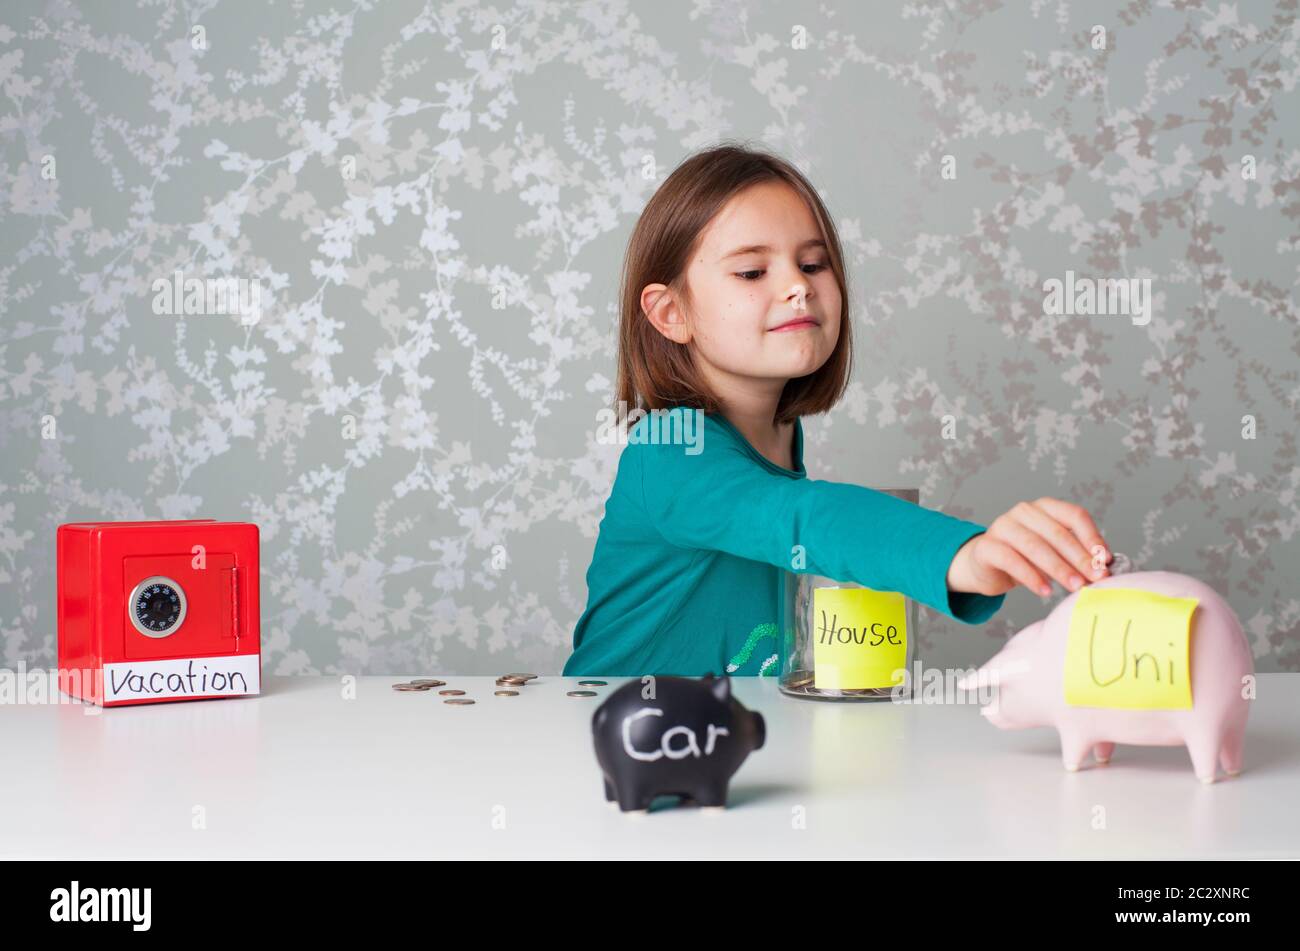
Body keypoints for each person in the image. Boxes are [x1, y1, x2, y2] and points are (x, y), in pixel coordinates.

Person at [563, 144, 1112, 676]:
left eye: (813, 262)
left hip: (728, 743)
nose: (798, 286)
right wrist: (964, 555)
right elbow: (800, 518)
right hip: (608, 739)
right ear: (670, 312)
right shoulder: (668, 449)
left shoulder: (780, 432)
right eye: (753, 272)